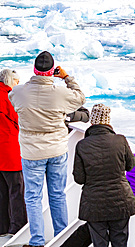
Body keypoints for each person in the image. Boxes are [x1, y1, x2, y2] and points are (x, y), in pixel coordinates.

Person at [8, 51, 86, 247]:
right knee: (57, 194)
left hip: (31, 153)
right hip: (56, 150)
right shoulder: (60, 94)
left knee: (33, 197)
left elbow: (13, 97)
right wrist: (67, 77)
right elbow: (80, 98)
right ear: (53, 72)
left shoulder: (18, 92)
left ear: (34, 70)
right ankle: (61, 237)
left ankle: (36, 241)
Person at [73, 103, 135, 247]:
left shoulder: (82, 145)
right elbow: (131, 165)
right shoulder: (120, 140)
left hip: (94, 203)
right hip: (120, 200)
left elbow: (79, 178)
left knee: (99, 242)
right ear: (108, 120)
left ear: (92, 121)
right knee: (120, 240)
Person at [0, 69, 27, 237]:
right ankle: (19, 228)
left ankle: (2, 227)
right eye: (17, 82)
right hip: (9, 151)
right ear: (11, 81)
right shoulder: (10, 97)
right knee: (16, 191)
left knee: (2, 191)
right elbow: (20, 119)